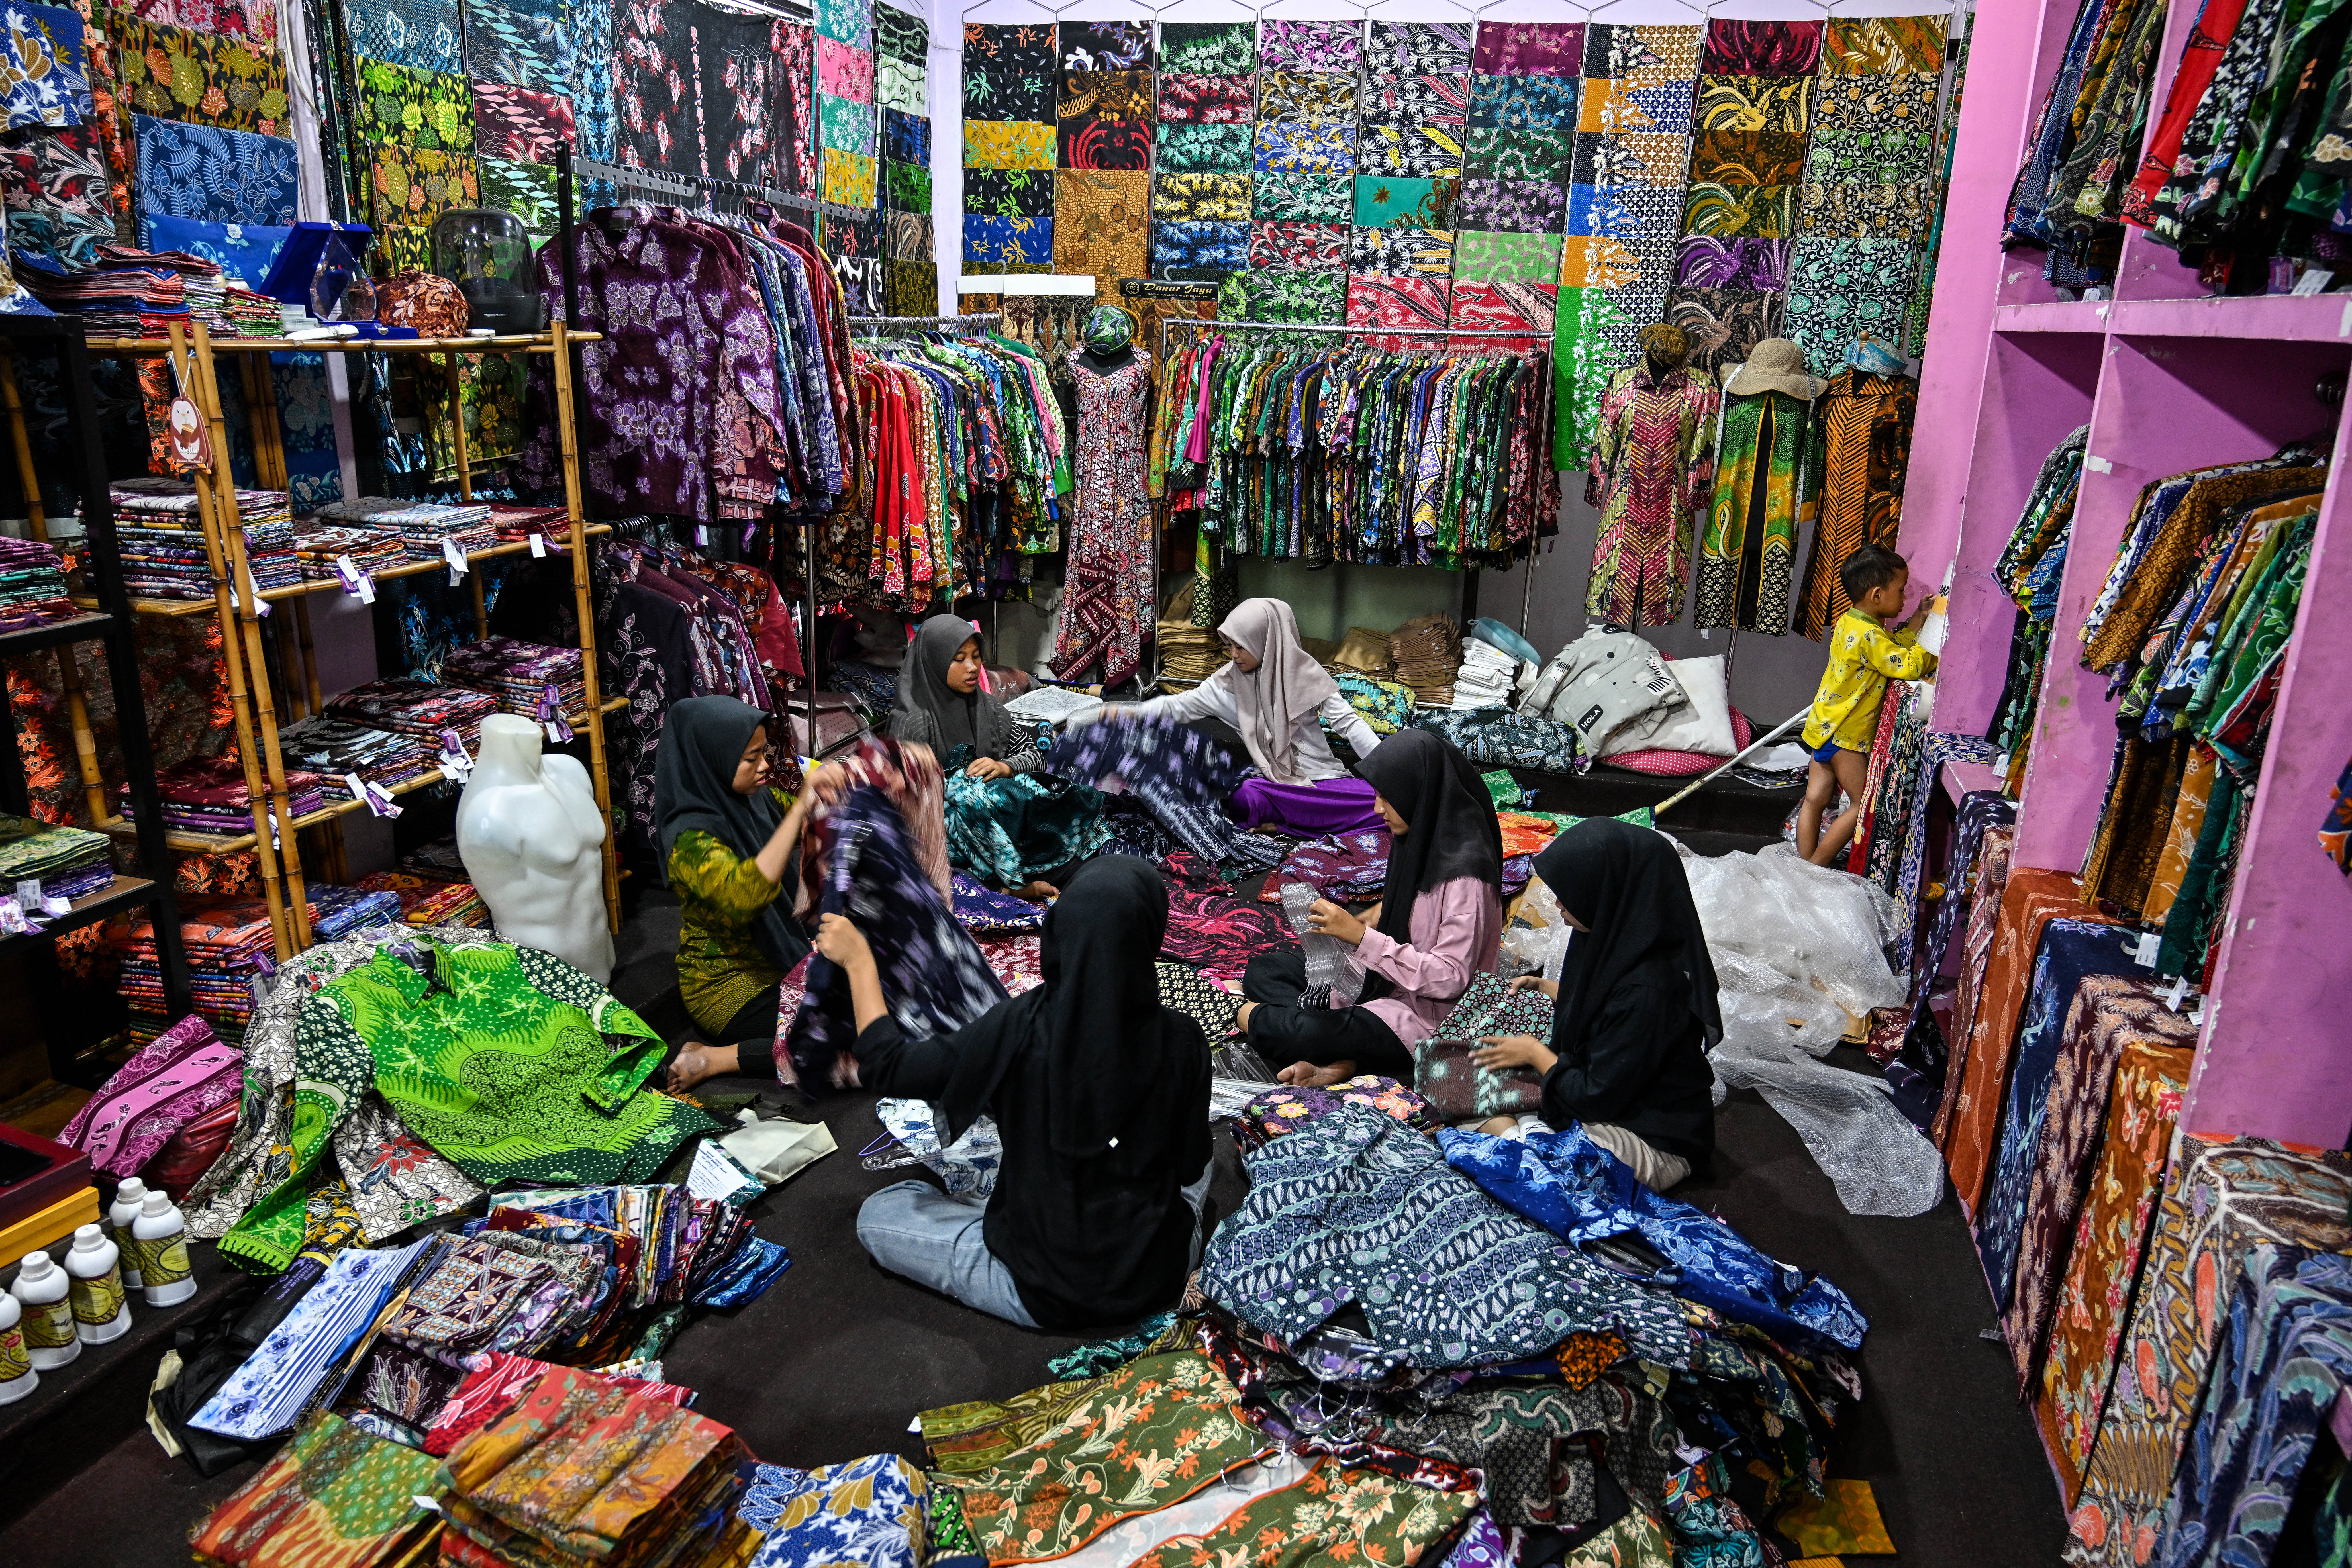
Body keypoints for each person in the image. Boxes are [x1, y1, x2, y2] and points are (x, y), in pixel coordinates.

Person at [817, 856, 1214, 1329]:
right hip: (1160, 1270)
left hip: (1042, 1290)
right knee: (1196, 1166)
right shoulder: (1185, 1040)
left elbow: (886, 1066)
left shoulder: (1018, 1029)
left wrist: (859, 963)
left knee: (880, 1213)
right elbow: (1191, 1166)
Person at [1236, 728, 1503, 1086]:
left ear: (1418, 793)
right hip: (1387, 981)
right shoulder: (1419, 838)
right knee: (1267, 969)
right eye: (1378, 795)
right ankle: (1343, 1053)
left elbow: (1450, 978)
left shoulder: (1465, 878)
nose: (1378, 809)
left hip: (1428, 1018)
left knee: (1303, 1033)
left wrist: (1361, 937)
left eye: (1387, 798)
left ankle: (1251, 1015)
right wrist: (1364, 927)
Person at [1471, 818, 1720, 1190]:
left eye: (1569, 894)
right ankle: (1527, 1135)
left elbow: (1594, 1095)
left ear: (1608, 891)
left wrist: (1535, 1053)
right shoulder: (1613, 935)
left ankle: (1526, 1138)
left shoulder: (1652, 990)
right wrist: (1544, 986)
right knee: (1472, 1077)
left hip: (1650, 1135)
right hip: (1609, 1099)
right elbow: (1604, 997)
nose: (1558, 904)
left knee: (1550, 1173)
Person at [656, 695, 814, 1091]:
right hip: (730, 985)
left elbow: (809, 819)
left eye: (764, 753)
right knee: (842, 1039)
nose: (765, 766)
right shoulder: (689, 838)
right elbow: (746, 895)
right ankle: (711, 1059)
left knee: (882, 999)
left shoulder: (754, 799)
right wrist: (801, 809)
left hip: (780, 959)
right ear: (715, 760)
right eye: (751, 758)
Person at [1125, 597, 1385, 834]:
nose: (1234, 655)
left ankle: (1288, 825)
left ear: (1265, 640)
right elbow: (1177, 707)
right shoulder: (1225, 685)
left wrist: (1391, 773)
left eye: (1241, 646)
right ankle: (1304, 822)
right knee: (1246, 797)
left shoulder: (1306, 674)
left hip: (1323, 783)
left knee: (1382, 803)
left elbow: (1350, 725)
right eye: (1230, 645)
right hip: (1275, 785)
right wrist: (1123, 714)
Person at [891, 612, 1106, 897]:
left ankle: (1036, 870)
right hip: (944, 837)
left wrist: (1005, 767)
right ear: (934, 662)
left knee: (1054, 793)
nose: (972, 667)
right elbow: (908, 807)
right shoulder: (913, 723)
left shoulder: (987, 708)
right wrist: (964, 795)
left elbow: (1037, 756)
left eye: (976, 656)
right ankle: (1006, 885)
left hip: (1002, 827)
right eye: (959, 659)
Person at [1796, 544, 1936, 865]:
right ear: (1877, 595)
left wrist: (1918, 617)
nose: (1905, 598)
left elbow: (1891, 648)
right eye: (1901, 590)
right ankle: (1815, 868)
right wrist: (1933, 641)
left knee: (1815, 799)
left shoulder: (1851, 623)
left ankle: (1802, 867)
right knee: (1862, 804)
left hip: (1823, 726)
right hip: (1846, 736)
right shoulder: (1869, 636)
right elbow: (1908, 666)